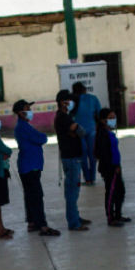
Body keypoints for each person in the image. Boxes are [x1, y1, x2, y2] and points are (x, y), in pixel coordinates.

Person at [13, 100, 61, 236]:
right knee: (36, 196)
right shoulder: (24, 127)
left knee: (30, 195)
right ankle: (43, 226)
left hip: (28, 165)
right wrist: (43, 136)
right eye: (27, 109)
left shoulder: (23, 126)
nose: (30, 111)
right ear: (20, 113)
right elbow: (41, 139)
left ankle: (32, 222)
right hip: (30, 165)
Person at [54, 89, 91, 232]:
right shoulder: (63, 118)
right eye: (69, 100)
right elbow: (82, 132)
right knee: (71, 192)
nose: (72, 103)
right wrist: (75, 131)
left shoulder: (66, 117)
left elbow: (78, 132)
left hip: (73, 157)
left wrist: (75, 131)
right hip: (70, 158)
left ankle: (75, 217)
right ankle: (73, 222)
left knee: (74, 191)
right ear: (63, 103)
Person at [94, 108, 130, 227]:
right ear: (103, 120)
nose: (113, 120)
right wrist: (113, 167)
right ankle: (111, 218)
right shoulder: (102, 134)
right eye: (111, 118)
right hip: (109, 167)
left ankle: (118, 214)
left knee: (120, 190)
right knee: (111, 192)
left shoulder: (109, 131)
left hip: (116, 165)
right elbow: (104, 153)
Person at [72, 81, 102, 186]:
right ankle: (93, 177)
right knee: (92, 153)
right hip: (91, 128)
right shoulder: (93, 98)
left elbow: (70, 116)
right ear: (85, 89)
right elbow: (100, 113)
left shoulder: (74, 100)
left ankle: (87, 178)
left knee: (83, 155)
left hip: (78, 130)